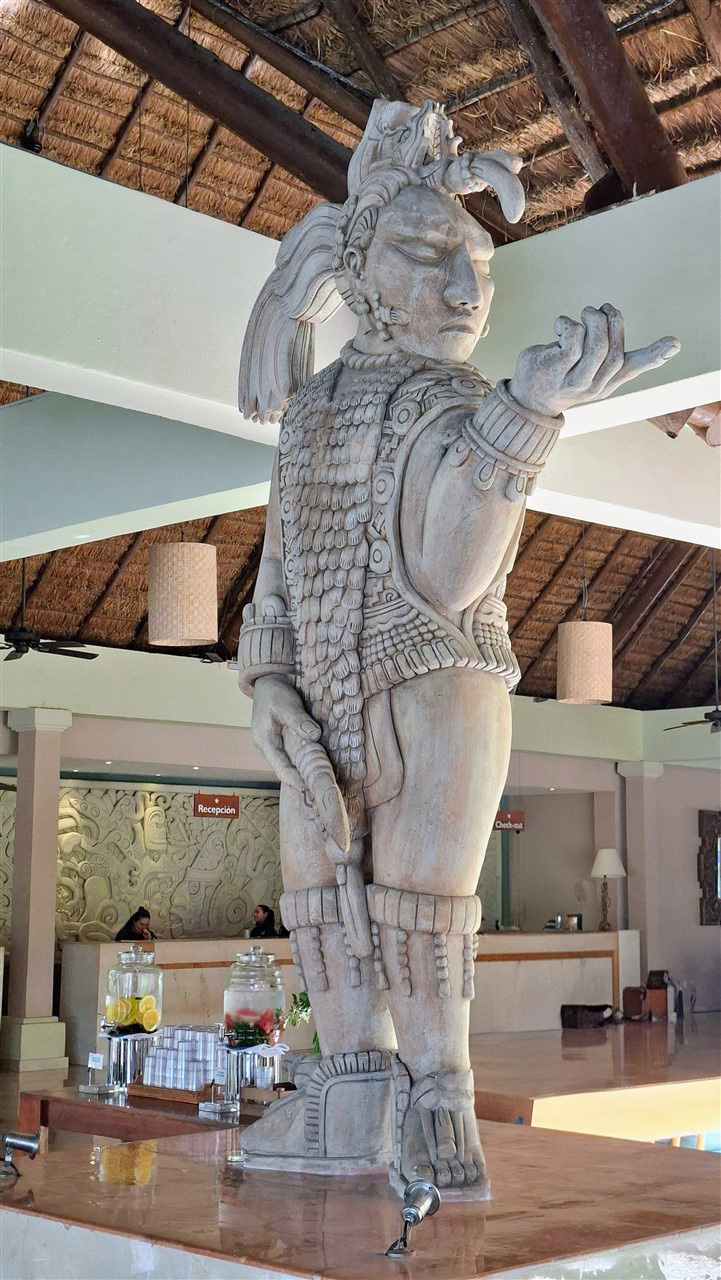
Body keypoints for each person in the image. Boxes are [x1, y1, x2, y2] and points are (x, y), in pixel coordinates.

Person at [236, 99, 679, 1195]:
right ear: (359, 269)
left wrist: (525, 412)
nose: (464, 286)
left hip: (432, 686)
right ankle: (349, 1094)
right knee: (319, 897)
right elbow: (278, 566)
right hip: (318, 696)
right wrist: (268, 685)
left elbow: (447, 572)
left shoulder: (462, 402)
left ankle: (440, 1097)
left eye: (475, 262)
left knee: (421, 907)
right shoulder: (311, 413)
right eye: (426, 252)